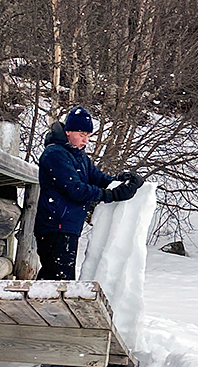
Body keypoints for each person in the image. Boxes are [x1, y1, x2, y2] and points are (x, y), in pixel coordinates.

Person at [34, 106, 143, 280]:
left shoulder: (79, 156)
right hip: (56, 227)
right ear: (68, 131)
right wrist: (112, 195)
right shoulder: (55, 154)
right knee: (57, 281)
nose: (86, 140)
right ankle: (41, 307)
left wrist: (121, 180)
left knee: (56, 281)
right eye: (82, 134)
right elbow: (76, 190)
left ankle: (42, 305)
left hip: (68, 227)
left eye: (88, 135)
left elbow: (98, 178)